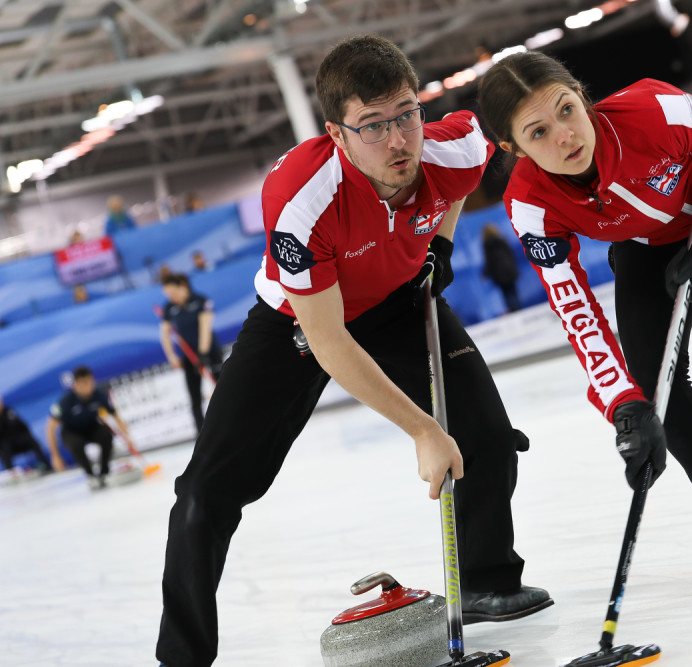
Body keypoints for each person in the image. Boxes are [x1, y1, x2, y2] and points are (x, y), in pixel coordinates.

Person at [155, 35, 551, 667]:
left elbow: (455, 187)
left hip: (397, 300)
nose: (397, 141)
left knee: (487, 433)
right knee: (206, 492)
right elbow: (328, 339)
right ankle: (182, 655)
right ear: (338, 135)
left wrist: (438, 251)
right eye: (372, 126)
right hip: (301, 321)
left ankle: (486, 583)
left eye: (405, 115)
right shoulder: (300, 199)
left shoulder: (457, 145)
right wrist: (423, 430)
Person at [477, 52, 692, 592]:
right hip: (646, 241)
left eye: (568, 110)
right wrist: (621, 404)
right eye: (539, 131)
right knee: (650, 385)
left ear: (581, 95)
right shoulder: (528, 204)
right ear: (513, 148)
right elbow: (574, 308)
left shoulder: (652, 109)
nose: (566, 136)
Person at [46, 366, 134, 490]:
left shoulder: (99, 395)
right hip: (71, 432)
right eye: (83, 383)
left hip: (91, 427)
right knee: (76, 444)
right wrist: (55, 456)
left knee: (106, 435)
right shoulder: (66, 401)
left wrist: (127, 437)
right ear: (75, 385)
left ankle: (104, 473)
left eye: (90, 382)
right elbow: (50, 427)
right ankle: (91, 475)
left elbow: (115, 415)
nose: (88, 386)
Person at [159, 273, 224, 433]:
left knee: (223, 389)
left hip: (210, 352)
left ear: (182, 286)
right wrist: (171, 356)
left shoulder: (200, 300)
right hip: (188, 357)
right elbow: (164, 333)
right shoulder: (169, 307)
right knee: (194, 397)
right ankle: (202, 434)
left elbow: (205, 327)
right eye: (168, 295)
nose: (171, 297)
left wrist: (202, 354)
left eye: (173, 293)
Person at [0, 396, 53, 475]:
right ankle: (12, 473)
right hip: (5, 446)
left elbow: (23, 426)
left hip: (18, 440)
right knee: (5, 448)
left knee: (32, 442)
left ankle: (47, 466)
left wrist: (28, 436)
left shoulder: (8, 411)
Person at [481, 223, 522, 312]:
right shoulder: (502, 240)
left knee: (505, 292)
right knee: (513, 289)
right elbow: (511, 255)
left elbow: (489, 261)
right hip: (509, 269)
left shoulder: (487, 245)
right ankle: (518, 307)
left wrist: (485, 273)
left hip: (498, 273)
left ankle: (512, 309)